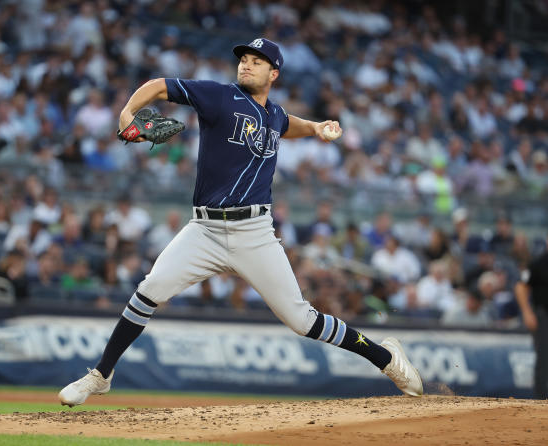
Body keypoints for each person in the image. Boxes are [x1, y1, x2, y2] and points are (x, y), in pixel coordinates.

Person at [58, 38, 422, 407]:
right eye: (244, 59)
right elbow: (158, 86)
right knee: (148, 291)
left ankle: (386, 358)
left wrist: (315, 128)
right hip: (204, 230)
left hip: (254, 233)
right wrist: (127, 114)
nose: (246, 65)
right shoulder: (219, 96)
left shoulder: (274, 114)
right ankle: (101, 375)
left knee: (302, 321)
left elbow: (285, 123)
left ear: (274, 73)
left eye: (257, 61)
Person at [515, 236, 548, 399]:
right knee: (544, 357)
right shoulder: (538, 264)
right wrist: (527, 312)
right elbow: (521, 286)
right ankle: (542, 399)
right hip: (544, 317)